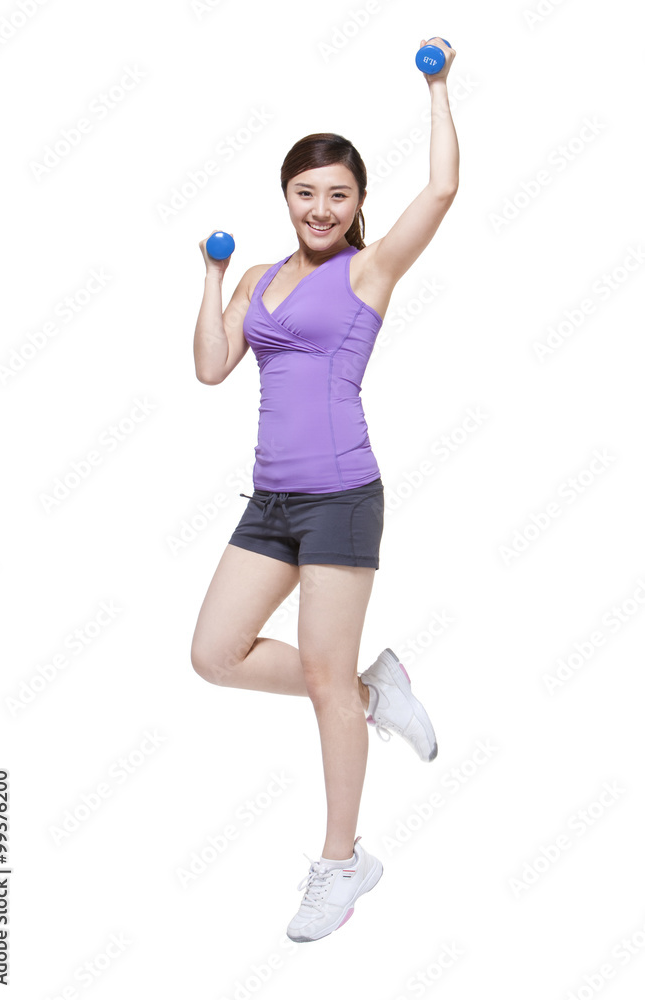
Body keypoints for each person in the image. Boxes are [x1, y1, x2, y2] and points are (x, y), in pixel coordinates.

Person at [190, 37, 459, 942]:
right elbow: (211, 367)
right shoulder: (261, 279)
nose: (320, 207)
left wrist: (438, 89)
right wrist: (215, 278)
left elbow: (443, 192)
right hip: (270, 501)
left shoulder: (369, 269)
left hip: (343, 493)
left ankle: (343, 864)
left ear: (356, 204)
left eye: (337, 194)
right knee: (214, 653)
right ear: (287, 199)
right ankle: (372, 692)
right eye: (305, 194)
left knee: (317, 680)